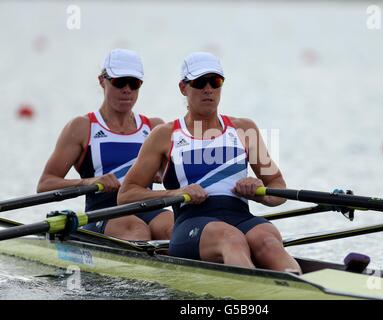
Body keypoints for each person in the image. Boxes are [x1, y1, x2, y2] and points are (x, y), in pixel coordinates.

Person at [117, 52, 300, 272]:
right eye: (199, 82)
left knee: (269, 239)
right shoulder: (164, 135)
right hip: (191, 224)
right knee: (230, 238)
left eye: (215, 82)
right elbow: (126, 194)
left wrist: (261, 192)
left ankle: (301, 287)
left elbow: (278, 185)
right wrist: (175, 193)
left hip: (241, 217)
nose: (208, 89)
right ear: (183, 88)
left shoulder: (245, 129)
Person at [37, 48, 173, 241]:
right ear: (102, 81)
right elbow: (45, 183)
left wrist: (163, 173)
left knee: (172, 227)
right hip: (102, 212)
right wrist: (89, 181)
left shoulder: (154, 127)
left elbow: (174, 176)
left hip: (145, 205)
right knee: (136, 230)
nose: (127, 89)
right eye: (119, 82)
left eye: (134, 84)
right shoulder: (82, 127)